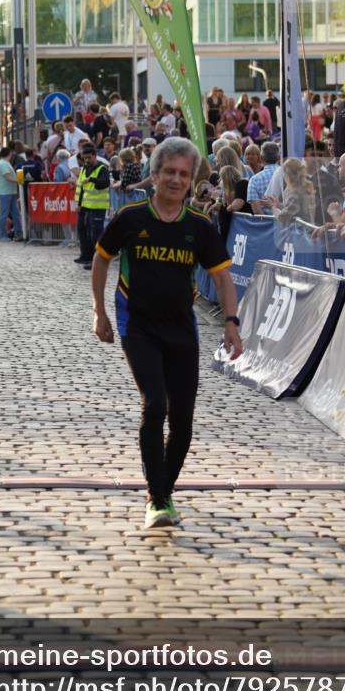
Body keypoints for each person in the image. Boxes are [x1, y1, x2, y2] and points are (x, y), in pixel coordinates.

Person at [91, 137, 243, 529]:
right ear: (154, 175)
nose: (176, 180)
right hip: (137, 325)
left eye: (184, 174)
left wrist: (231, 323)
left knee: (183, 419)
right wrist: (99, 311)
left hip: (181, 328)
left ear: (192, 180)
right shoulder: (131, 218)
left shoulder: (199, 226)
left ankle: (165, 490)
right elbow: (101, 258)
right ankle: (156, 499)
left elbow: (222, 278)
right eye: (169, 173)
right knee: (154, 403)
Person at [74, 144, 111, 267]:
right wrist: (79, 204)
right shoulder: (85, 168)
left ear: (95, 156)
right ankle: (87, 256)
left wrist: (91, 180)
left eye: (89, 157)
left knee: (96, 235)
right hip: (86, 206)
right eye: (85, 158)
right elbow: (82, 188)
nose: (87, 160)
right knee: (85, 232)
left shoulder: (102, 168)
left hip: (98, 207)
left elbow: (105, 183)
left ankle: (97, 261)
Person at [265, 157, 315, 225]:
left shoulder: (296, 193)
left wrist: (272, 207)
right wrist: (278, 205)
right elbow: (292, 209)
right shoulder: (304, 188)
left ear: (287, 176)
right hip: (307, 230)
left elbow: (282, 217)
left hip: (302, 232)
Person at [0, 144, 24, 242]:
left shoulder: (5, 163)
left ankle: (18, 233)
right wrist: (19, 180)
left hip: (10, 192)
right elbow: (7, 177)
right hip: (5, 192)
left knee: (16, 214)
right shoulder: (3, 163)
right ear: (10, 153)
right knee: (4, 214)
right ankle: (2, 236)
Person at [246, 141, 280, 214]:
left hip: (266, 223)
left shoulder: (254, 180)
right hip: (288, 223)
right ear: (279, 158)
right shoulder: (288, 175)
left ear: (261, 158)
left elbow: (257, 211)